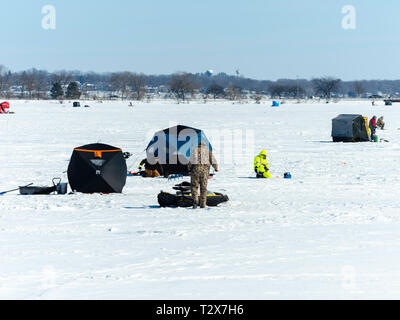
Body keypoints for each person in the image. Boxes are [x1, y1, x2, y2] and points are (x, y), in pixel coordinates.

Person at [188, 142, 219, 209]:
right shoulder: (208, 151)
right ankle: (203, 204)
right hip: (205, 172)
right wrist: (216, 168)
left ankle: (195, 201)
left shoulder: (194, 150)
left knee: (194, 187)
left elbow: (190, 161)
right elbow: (213, 161)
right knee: (203, 188)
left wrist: (189, 169)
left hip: (195, 171)